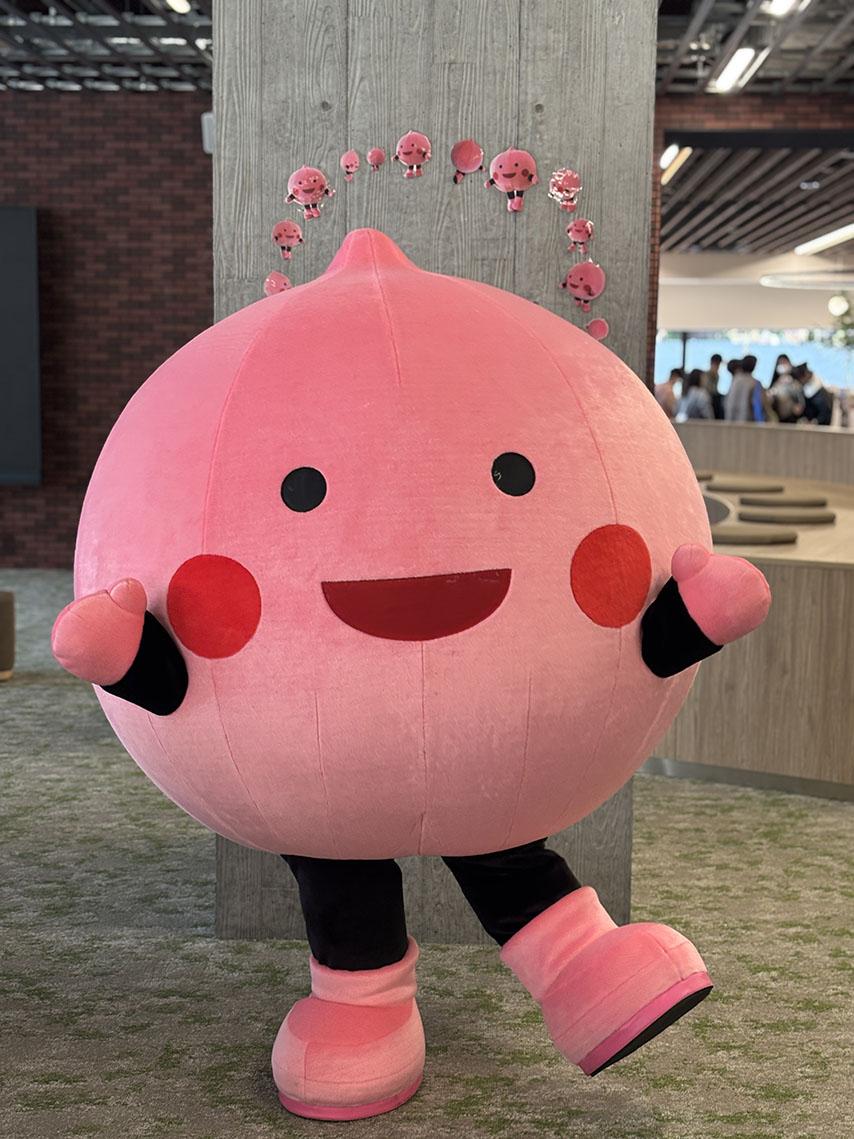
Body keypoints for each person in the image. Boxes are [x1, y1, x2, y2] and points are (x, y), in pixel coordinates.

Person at [703, 354, 724, 419]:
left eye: (718, 365)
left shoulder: (717, 375)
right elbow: (706, 389)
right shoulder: (705, 375)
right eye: (716, 365)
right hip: (707, 400)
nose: (718, 367)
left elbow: (715, 390)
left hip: (713, 399)